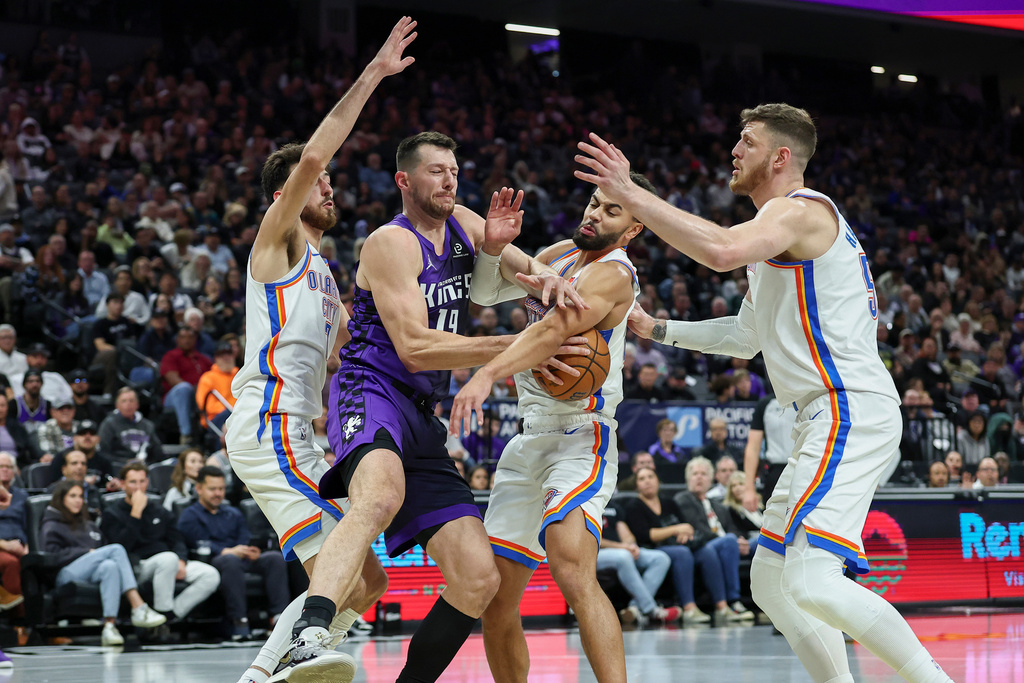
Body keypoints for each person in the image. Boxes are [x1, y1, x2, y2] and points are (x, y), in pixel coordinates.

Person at [590, 105, 952, 681]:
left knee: (810, 577)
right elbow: (744, 336)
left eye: (747, 142)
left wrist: (631, 195)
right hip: (827, 413)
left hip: (846, 405)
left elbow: (719, 251)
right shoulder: (774, 238)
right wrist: (657, 329)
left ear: (781, 157)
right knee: (771, 579)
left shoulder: (800, 211)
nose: (734, 151)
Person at [288, 118, 583, 683]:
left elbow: (527, 270)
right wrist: (521, 346)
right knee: (379, 496)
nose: (449, 181)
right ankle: (310, 633)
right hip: (372, 389)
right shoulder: (390, 242)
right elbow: (416, 349)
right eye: (436, 172)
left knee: (478, 578)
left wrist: (553, 281)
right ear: (404, 180)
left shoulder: (465, 224)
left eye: (454, 171)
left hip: (422, 413)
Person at [226, 20, 420, 683]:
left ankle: (266, 672)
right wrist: (373, 74)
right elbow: (311, 158)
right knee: (340, 573)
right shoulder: (276, 244)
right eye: (319, 181)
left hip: (298, 433)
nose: (330, 187)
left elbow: (355, 353)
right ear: (287, 196)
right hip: (268, 423)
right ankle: (281, 663)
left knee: (367, 579)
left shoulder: (326, 273)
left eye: (332, 182)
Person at [448, 172, 656, 683]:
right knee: (496, 597)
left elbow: (551, 330)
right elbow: (485, 292)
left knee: (571, 568)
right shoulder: (559, 253)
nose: (595, 214)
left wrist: (487, 373)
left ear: (633, 229)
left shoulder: (615, 275)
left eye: (612, 211)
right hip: (529, 435)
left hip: (581, 433)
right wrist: (494, 249)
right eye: (594, 203)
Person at [40, 480, 166, 646]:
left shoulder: (89, 525)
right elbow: (52, 555)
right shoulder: (52, 524)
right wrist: (86, 552)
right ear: (61, 499)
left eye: (80, 496)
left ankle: (109, 626)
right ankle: (138, 606)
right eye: (72, 496)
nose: (78, 500)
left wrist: (95, 555)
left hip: (92, 571)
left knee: (110, 567)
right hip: (65, 573)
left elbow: (103, 549)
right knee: (116, 549)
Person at [177, 466, 289, 641]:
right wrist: (226, 551)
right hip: (212, 561)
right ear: (199, 488)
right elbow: (197, 543)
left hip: (240, 556)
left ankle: (278, 618)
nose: (218, 494)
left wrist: (249, 550)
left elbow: (244, 536)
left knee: (274, 558)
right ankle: (239, 622)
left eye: (221, 489)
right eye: (212, 489)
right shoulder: (189, 516)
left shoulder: (233, 513)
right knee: (230, 560)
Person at [101, 461, 220, 624]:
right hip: (137, 566)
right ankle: (163, 612)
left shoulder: (158, 510)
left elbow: (176, 538)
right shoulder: (112, 513)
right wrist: (136, 512)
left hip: (169, 561)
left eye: (142, 481)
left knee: (210, 575)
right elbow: (120, 547)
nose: (138, 487)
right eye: (133, 482)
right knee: (168, 559)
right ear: (122, 484)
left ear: (147, 482)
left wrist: (181, 560)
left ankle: (167, 617)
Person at [623, 467, 710, 625]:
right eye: (642, 479)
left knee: (705, 552)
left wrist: (684, 533)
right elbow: (646, 535)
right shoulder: (633, 506)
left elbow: (686, 526)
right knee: (682, 553)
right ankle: (689, 607)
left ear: (658, 481)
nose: (647, 481)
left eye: (651, 477)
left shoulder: (669, 502)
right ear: (636, 485)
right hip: (649, 549)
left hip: (675, 545)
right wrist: (675, 530)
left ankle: (723, 605)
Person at [674, 457, 754, 622]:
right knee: (729, 540)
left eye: (703, 474)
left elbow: (733, 528)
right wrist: (730, 540)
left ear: (711, 480)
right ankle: (733, 600)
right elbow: (697, 528)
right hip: (700, 546)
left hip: (726, 544)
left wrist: (740, 541)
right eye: (695, 474)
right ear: (688, 479)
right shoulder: (683, 499)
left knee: (754, 541)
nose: (699, 477)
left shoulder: (718, 505)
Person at [597, 500, 678, 625]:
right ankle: (651, 609)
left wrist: (631, 546)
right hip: (594, 554)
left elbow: (626, 534)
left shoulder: (613, 506)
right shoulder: (585, 505)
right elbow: (593, 539)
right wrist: (622, 547)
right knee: (624, 557)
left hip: (620, 550)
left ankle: (634, 608)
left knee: (661, 558)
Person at [741, 394, 796, 510]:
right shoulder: (765, 404)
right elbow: (753, 448)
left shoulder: (809, 397)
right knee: (775, 518)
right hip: (775, 472)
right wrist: (749, 489)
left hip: (805, 468)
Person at [159, 328, 211, 445]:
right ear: (177, 340)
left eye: (190, 337)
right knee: (183, 388)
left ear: (195, 339)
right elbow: (173, 379)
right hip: (174, 398)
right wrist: (195, 391)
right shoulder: (171, 356)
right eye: (183, 337)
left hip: (200, 396)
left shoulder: (204, 359)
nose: (187, 340)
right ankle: (186, 435)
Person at [98, 387, 164, 465]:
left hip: (144, 466)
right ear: (117, 405)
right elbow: (103, 452)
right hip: (118, 466)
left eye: (131, 401)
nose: (128, 404)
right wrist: (125, 462)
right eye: (124, 401)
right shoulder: (109, 424)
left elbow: (157, 452)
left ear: (137, 404)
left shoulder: (147, 426)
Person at [0, 452, 27, 611]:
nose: (5, 469)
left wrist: (28, 546)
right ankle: (18, 618)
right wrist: (4, 544)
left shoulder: (22, 497)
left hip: (19, 546)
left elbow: (29, 524)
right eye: (1, 466)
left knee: (33, 563)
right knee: (10, 563)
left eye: (8, 467)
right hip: (2, 546)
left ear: (15, 471)